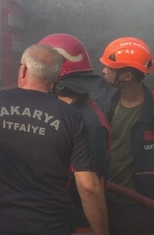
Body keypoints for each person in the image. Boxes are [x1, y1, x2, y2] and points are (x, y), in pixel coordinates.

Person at [0, 44, 109, 235]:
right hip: (51, 227)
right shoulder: (72, 117)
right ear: (54, 78)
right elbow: (89, 186)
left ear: (24, 70)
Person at [93, 37, 154, 235]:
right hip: (107, 204)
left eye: (110, 68)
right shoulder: (101, 105)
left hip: (151, 210)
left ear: (127, 76)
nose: (104, 71)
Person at [40, 33, 111, 234]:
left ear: (57, 84)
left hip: (77, 224)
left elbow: (90, 188)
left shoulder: (85, 122)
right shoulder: (76, 113)